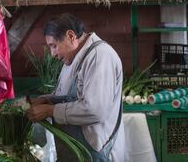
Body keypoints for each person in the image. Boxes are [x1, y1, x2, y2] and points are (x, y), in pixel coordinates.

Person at [26, 13, 125, 162]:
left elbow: (94, 110)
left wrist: (50, 110)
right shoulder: (72, 58)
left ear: (71, 36)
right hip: (78, 149)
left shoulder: (100, 56)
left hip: (95, 152)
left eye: (54, 46)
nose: (53, 53)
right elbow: (66, 95)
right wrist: (46, 99)